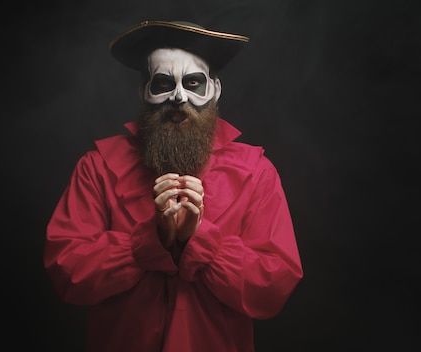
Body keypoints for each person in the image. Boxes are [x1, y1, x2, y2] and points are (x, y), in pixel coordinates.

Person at [44, 20, 303, 352]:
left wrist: (201, 239)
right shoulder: (97, 167)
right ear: (144, 91)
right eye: (164, 83)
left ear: (215, 89)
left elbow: (273, 284)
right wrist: (149, 241)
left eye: (194, 82)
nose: (179, 97)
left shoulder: (256, 172)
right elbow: (67, 270)